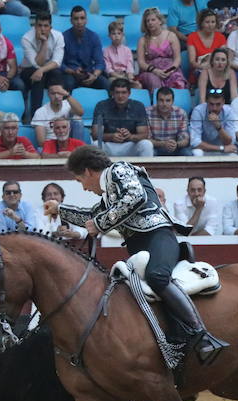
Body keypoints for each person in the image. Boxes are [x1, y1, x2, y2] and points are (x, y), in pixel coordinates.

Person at [55, 145, 228, 364]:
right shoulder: (110, 193)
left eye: (80, 181)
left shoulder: (118, 170)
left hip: (158, 238)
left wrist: (99, 223)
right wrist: (60, 210)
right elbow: (91, 215)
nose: (84, 188)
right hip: (139, 246)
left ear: (88, 171)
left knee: (157, 277)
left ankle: (202, 335)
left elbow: (135, 197)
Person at [92, 77, 153, 157]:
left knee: (146, 144)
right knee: (96, 144)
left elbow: (144, 134)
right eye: (117, 92)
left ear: (129, 93)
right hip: (109, 145)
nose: (120, 96)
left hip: (129, 145)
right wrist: (111, 136)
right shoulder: (101, 105)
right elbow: (95, 134)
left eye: (124, 92)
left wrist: (130, 136)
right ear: (112, 93)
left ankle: (145, 169)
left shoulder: (138, 106)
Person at [20, 12, 64, 118]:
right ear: (35, 26)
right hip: (28, 70)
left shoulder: (58, 36)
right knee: (39, 78)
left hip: (46, 70)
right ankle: (36, 116)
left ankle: (60, 114)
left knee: (57, 73)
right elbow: (37, 64)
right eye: (39, 25)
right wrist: (44, 43)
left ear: (50, 27)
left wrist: (41, 70)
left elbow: (57, 62)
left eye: (46, 26)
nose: (42, 29)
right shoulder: (26, 39)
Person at [136, 7, 187, 91]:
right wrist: (155, 71)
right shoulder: (143, 40)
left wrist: (170, 71)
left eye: (153, 20)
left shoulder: (171, 36)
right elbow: (141, 62)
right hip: (151, 71)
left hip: (170, 69)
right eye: (147, 21)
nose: (150, 23)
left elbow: (177, 58)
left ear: (160, 21)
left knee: (178, 81)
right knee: (153, 81)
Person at [61, 6, 107, 93]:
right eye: (76, 19)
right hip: (71, 74)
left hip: (89, 74)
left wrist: (94, 75)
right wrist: (72, 71)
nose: (79, 22)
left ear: (86, 20)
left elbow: (100, 62)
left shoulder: (94, 37)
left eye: (82, 18)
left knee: (105, 83)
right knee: (67, 84)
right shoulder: (63, 37)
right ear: (71, 21)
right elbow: (60, 63)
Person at [31, 82, 84, 148]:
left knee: (78, 119)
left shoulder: (68, 105)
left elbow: (81, 112)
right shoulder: (40, 112)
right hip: (50, 146)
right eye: (53, 93)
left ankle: (78, 150)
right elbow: (41, 142)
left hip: (69, 144)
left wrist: (68, 96)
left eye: (59, 93)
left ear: (64, 93)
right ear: (48, 94)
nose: (56, 96)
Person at [189, 88, 238, 155]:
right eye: (211, 104)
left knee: (233, 153)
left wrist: (219, 127)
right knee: (197, 152)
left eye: (218, 104)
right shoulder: (198, 111)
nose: (214, 108)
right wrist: (221, 148)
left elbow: (230, 142)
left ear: (223, 102)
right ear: (206, 102)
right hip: (205, 148)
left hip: (224, 148)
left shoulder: (229, 111)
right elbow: (195, 142)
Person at [147, 86, 192, 156]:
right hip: (156, 148)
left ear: (173, 101)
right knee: (149, 151)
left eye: (168, 100)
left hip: (175, 147)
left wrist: (176, 144)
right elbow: (146, 140)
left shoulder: (181, 113)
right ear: (156, 101)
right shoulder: (147, 112)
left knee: (187, 153)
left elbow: (185, 138)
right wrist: (164, 144)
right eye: (161, 100)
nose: (164, 104)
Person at [186, 9, 227, 77]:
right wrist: (204, 68)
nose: (210, 25)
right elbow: (192, 62)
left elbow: (223, 57)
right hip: (199, 71)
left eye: (213, 22)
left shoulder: (221, 37)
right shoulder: (192, 37)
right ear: (201, 23)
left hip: (217, 71)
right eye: (207, 22)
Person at [103, 20, 142, 89]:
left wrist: (129, 75)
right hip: (114, 76)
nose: (116, 36)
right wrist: (119, 77)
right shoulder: (106, 51)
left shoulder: (127, 50)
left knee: (138, 86)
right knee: (111, 82)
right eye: (113, 34)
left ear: (122, 35)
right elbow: (108, 69)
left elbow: (129, 65)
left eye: (119, 33)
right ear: (109, 35)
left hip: (126, 75)